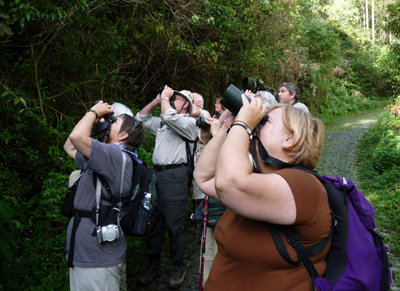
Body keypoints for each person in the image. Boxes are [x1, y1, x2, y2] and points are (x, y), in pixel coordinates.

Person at [193, 92, 331, 290]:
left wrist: (244, 123)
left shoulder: (305, 185)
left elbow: (229, 184)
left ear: (289, 139)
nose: (257, 123)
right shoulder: (257, 180)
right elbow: (204, 178)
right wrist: (228, 126)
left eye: (265, 121)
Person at [63, 101, 146, 291]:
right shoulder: (105, 155)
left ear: (124, 135)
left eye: (114, 121)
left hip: (97, 259)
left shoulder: (115, 156)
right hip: (86, 253)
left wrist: (92, 112)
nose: (109, 122)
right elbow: (70, 146)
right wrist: (92, 122)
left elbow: (76, 137)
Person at [135, 85, 198, 290]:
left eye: (176, 98)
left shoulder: (189, 123)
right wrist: (156, 101)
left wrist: (164, 100)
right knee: (153, 221)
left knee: (174, 223)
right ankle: (154, 264)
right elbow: (141, 120)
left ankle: (178, 265)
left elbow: (170, 117)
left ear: (186, 104)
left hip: (176, 176)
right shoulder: (164, 122)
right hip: (157, 175)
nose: (171, 100)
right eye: (171, 98)